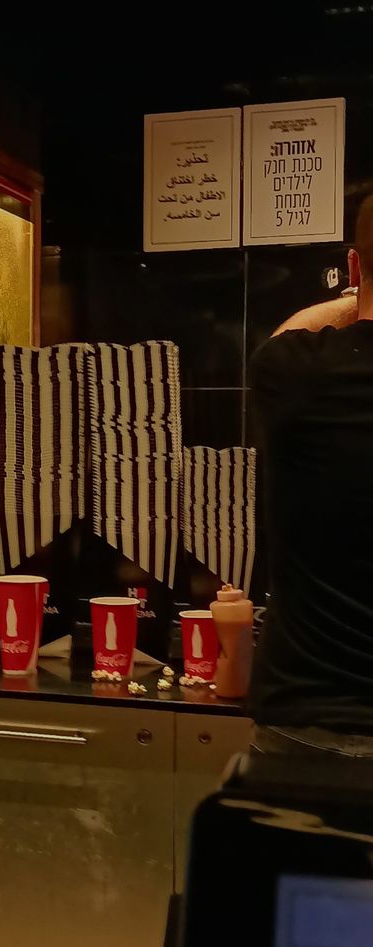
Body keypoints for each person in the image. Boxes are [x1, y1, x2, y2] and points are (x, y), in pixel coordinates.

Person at [249, 195, 373, 759]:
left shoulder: (294, 374)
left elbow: (290, 331)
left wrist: (350, 301)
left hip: (303, 729)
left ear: (353, 266)